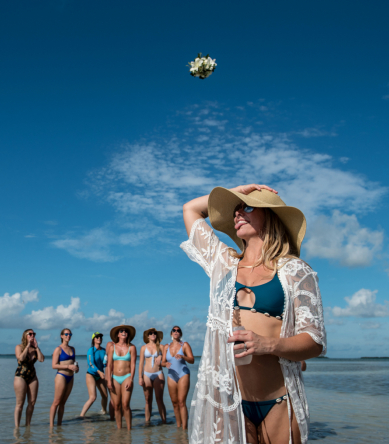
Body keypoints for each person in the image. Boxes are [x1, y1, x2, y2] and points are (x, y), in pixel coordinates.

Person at [182, 184, 326, 444]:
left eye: (247, 208)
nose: (237, 214)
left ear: (270, 215)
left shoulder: (295, 271)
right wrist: (239, 192)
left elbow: (315, 341)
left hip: (280, 402)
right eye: (234, 211)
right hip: (229, 404)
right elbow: (191, 209)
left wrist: (268, 344)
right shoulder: (223, 263)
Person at [106, 325, 137, 430]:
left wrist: (131, 379)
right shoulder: (111, 347)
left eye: (126, 331)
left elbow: (133, 365)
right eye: (121, 331)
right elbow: (109, 365)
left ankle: (129, 430)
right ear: (118, 334)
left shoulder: (132, 347)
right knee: (116, 405)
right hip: (114, 377)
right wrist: (109, 380)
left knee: (125, 404)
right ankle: (119, 430)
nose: (124, 332)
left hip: (126, 377)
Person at [163, 326, 194, 428]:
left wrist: (182, 356)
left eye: (178, 330)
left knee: (181, 402)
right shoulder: (166, 347)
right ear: (171, 333)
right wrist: (165, 364)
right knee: (174, 402)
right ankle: (178, 427)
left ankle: (184, 429)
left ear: (180, 334)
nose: (176, 332)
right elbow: (163, 362)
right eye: (174, 330)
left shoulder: (184, 345)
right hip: (171, 375)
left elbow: (192, 360)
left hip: (183, 374)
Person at [14, 329, 44, 427]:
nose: (32, 335)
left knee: (32, 402)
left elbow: (41, 359)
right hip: (20, 375)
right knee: (20, 403)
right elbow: (21, 358)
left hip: (32, 375)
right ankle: (17, 427)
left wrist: (37, 347)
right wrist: (27, 346)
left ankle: (28, 425)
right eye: (30, 334)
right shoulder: (19, 347)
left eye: (33, 334)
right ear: (25, 336)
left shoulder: (35, 348)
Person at [49, 328, 78, 427]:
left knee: (63, 403)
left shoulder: (72, 349)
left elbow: (74, 363)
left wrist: (76, 368)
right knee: (56, 401)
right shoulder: (58, 349)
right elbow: (54, 365)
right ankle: (51, 426)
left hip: (71, 376)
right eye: (66, 334)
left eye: (70, 334)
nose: (68, 336)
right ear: (61, 336)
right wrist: (67, 366)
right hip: (61, 376)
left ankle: (59, 425)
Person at [139, 328, 167, 424]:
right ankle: (147, 423)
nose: (153, 334)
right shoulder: (143, 347)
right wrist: (140, 377)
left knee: (159, 399)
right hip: (146, 374)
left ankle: (164, 422)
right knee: (147, 400)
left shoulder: (161, 347)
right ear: (147, 336)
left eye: (154, 333)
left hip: (158, 373)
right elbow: (141, 363)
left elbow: (168, 357)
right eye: (150, 333)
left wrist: (161, 356)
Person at [80, 332, 109, 417]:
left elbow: (105, 364)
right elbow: (91, 364)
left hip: (100, 375)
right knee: (93, 397)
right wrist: (99, 372)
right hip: (91, 374)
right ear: (93, 339)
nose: (99, 338)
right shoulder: (91, 350)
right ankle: (81, 415)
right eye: (97, 337)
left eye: (100, 337)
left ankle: (104, 412)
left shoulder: (104, 351)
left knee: (105, 395)